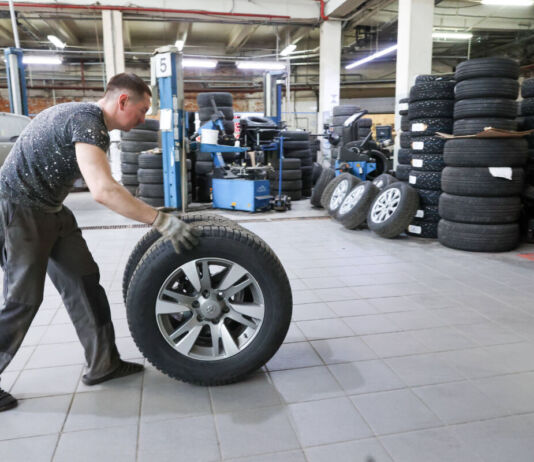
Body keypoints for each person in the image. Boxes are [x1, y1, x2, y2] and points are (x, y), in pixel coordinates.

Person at [0, 73, 200, 412]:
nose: (143, 119)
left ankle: (104, 363)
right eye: (142, 110)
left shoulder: (84, 118)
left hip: (52, 208)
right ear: (122, 101)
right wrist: (160, 220)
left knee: (85, 283)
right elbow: (103, 191)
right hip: (19, 210)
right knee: (23, 300)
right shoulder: (87, 122)